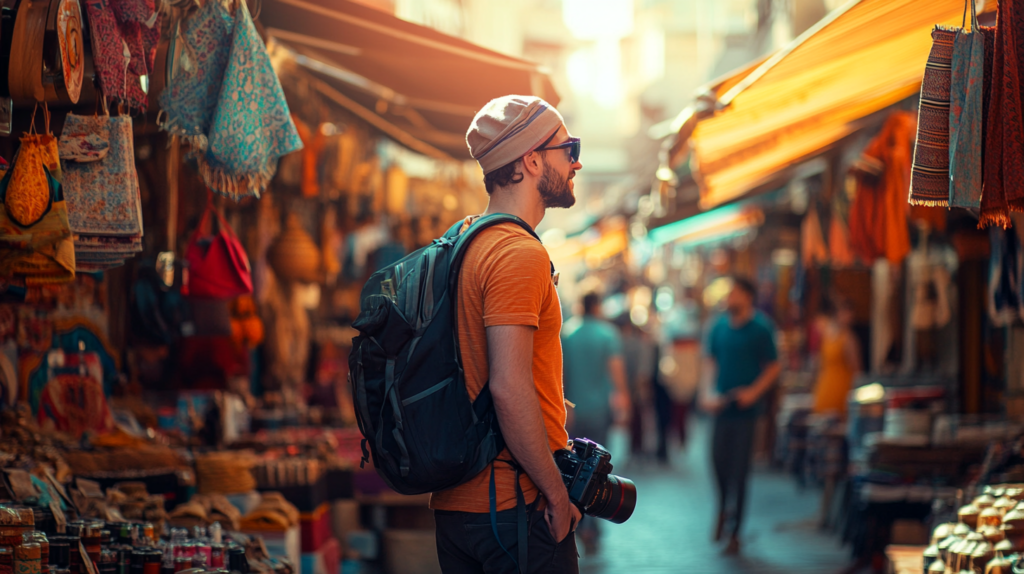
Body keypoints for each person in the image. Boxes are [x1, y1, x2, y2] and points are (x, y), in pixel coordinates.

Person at [430, 95, 584, 574]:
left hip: (458, 508)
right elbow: (507, 385)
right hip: (513, 507)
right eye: (568, 147)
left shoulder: (462, 240)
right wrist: (556, 494)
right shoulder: (519, 253)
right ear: (532, 160)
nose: (576, 161)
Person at [699, 276, 781, 555]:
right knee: (717, 463)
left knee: (741, 471)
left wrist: (754, 393)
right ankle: (723, 508)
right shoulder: (718, 326)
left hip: (747, 411)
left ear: (747, 296)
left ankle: (735, 531)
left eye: (733, 292)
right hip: (721, 407)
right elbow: (710, 362)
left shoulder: (761, 328)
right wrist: (706, 393)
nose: (728, 297)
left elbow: (773, 367)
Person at [561, 294, 631, 554]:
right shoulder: (608, 334)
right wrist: (624, 403)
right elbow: (616, 371)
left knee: (574, 469)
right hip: (600, 410)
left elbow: (560, 371)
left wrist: (565, 407)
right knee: (598, 471)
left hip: (573, 413)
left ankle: (578, 522)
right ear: (597, 305)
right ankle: (594, 525)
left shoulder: (567, 332)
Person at [811, 298, 862, 416]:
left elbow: (856, 368)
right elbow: (820, 362)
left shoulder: (848, 338)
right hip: (827, 386)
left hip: (840, 388)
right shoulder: (830, 334)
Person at [614, 315, 653, 458]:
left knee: (632, 421)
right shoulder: (638, 343)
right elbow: (644, 370)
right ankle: (636, 449)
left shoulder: (619, 342)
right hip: (634, 388)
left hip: (627, 388)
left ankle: (634, 450)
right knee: (637, 420)